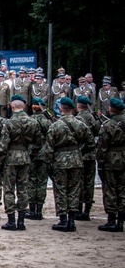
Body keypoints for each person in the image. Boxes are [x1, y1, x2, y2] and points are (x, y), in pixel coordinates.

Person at [39, 96, 95, 232]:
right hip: (76, 160)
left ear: (60, 109)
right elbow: (91, 143)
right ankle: (71, 220)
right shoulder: (80, 124)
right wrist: (79, 152)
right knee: (74, 190)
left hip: (60, 161)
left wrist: (48, 163)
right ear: (73, 109)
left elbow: (49, 148)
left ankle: (63, 220)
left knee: (61, 190)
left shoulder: (55, 125)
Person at [0, 96, 42, 230]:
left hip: (11, 158)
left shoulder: (9, 123)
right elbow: (38, 142)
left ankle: (11, 220)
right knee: (23, 189)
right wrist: (30, 154)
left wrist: (0, 160)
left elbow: (3, 145)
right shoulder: (33, 122)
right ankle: (21, 220)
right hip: (25, 157)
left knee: (9, 189)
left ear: (12, 107)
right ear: (24, 107)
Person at [96, 98, 125, 231]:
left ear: (112, 109)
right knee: (123, 189)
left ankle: (112, 220)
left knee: (110, 190)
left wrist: (100, 162)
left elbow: (102, 147)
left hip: (112, 160)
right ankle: (121, 221)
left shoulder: (108, 125)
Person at [26, 97, 53, 220]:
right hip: (44, 154)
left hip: (31, 154)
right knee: (42, 182)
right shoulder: (48, 122)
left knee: (31, 181)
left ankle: (31, 209)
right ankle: (39, 210)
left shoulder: (29, 121)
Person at [74, 95, 100, 221]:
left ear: (79, 105)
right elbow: (97, 132)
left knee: (79, 182)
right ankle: (87, 210)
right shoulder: (92, 118)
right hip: (91, 154)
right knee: (89, 182)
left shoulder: (78, 118)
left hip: (80, 154)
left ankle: (78, 209)